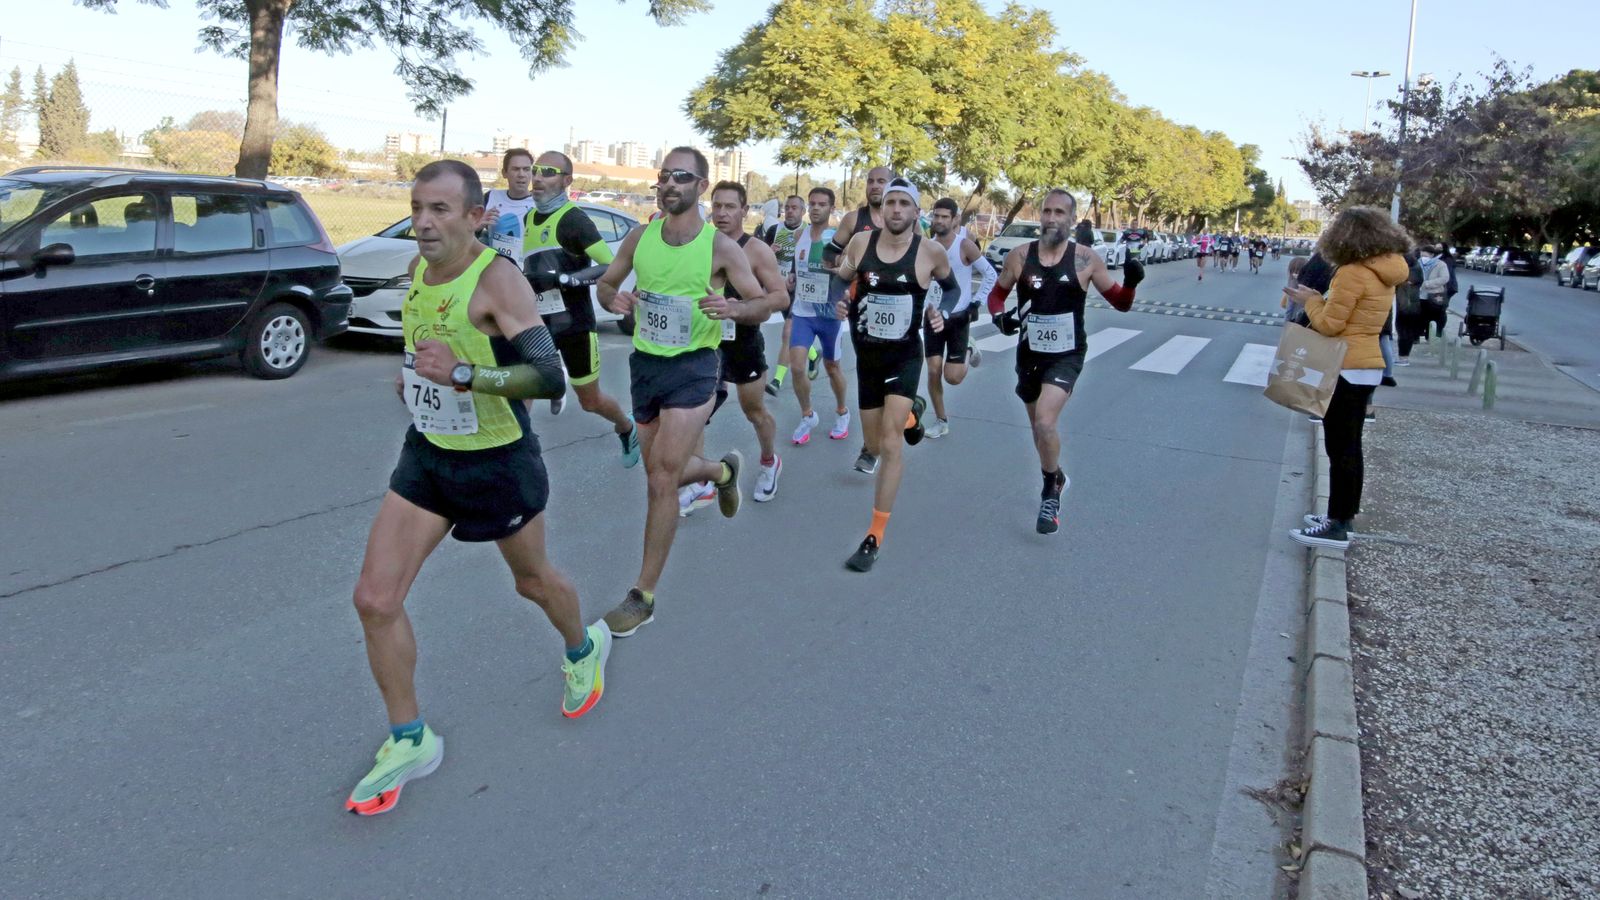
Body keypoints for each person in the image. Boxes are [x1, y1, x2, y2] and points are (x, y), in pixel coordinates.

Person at [345, 160, 608, 816]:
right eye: (417, 208)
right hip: (430, 455)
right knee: (375, 600)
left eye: (439, 210)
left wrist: (465, 376)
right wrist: (415, 377)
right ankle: (411, 739)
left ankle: (583, 647)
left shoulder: (497, 280)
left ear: (474, 216)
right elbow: (426, 347)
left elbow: (548, 375)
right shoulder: (417, 271)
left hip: (498, 461)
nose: (424, 222)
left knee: (532, 582)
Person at [595, 148, 777, 635]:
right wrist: (615, 298)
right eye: (664, 176)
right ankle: (721, 471)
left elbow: (764, 302)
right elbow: (607, 285)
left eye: (681, 176)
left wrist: (734, 309)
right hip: (646, 365)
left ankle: (642, 596)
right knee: (662, 473)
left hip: (695, 367)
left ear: (701, 185)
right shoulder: (640, 237)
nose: (669, 183)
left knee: (661, 478)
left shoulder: (721, 247)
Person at [986, 188, 1142, 534]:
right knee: (1038, 430)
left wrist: (1131, 283)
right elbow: (996, 295)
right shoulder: (1020, 257)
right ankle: (1055, 474)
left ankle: (1050, 492)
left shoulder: (1086, 259)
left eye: (1060, 213)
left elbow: (1121, 303)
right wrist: (999, 318)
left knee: (1045, 422)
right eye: (1047, 211)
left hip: (1067, 355)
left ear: (1072, 220)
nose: (1052, 218)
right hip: (1029, 354)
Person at [833, 178, 960, 571]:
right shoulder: (860, 244)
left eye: (905, 203)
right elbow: (839, 281)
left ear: (916, 212)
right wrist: (839, 301)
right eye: (891, 202)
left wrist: (942, 312)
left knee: (890, 445)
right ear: (882, 209)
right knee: (872, 444)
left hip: (905, 356)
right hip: (867, 356)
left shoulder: (931, 251)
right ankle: (911, 416)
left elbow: (952, 290)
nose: (897, 209)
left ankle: (874, 536)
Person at [1283, 207, 1411, 550]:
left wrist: (1312, 301)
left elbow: (1330, 325)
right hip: (1365, 364)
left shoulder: (1353, 272)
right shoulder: (1384, 270)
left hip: (1344, 365)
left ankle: (1337, 525)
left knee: (1340, 449)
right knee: (1349, 446)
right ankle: (1340, 517)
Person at [517, 150, 641, 460]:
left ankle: (626, 427)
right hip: (539, 321)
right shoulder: (529, 217)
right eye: (535, 170)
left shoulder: (574, 219)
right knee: (524, 387)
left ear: (566, 180)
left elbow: (609, 266)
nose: (537, 178)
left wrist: (566, 279)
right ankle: (517, 448)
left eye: (548, 172)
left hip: (574, 324)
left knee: (590, 400)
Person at [690, 180, 789, 505]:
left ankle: (769, 462)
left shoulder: (756, 250)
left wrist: (739, 307)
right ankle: (701, 482)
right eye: (717, 205)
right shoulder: (700, 243)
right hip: (705, 341)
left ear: (745, 210)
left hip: (743, 340)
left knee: (754, 410)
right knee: (697, 413)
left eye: (730, 206)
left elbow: (781, 297)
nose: (722, 213)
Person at [921, 197, 998, 439]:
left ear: (955, 219)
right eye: (936, 216)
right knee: (933, 371)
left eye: (945, 217)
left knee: (952, 378)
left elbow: (990, 274)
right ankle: (941, 420)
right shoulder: (926, 246)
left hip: (958, 317)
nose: (939, 221)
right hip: (933, 318)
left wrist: (977, 302)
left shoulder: (964, 245)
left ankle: (968, 349)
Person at [788, 186, 853, 446]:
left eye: (822, 204)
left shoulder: (837, 239)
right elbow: (798, 263)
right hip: (803, 312)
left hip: (829, 314)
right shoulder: (799, 234)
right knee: (796, 366)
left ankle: (842, 412)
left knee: (832, 367)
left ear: (831, 208)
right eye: (812, 203)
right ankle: (807, 415)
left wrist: (837, 272)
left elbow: (849, 273)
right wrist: (792, 275)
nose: (815, 208)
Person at [762, 195, 820, 396]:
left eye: (795, 208)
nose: (790, 211)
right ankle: (813, 354)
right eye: (787, 207)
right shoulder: (774, 230)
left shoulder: (808, 232)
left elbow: (816, 261)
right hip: (778, 288)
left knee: (788, 332)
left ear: (803, 211)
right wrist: (769, 252)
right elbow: (760, 258)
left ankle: (776, 381)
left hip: (799, 289)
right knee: (793, 332)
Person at [479, 149, 541, 262]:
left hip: (527, 271)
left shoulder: (541, 204)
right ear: (504, 173)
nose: (521, 174)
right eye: (516, 169)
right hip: (496, 268)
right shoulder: (491, 197)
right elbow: (466, 235)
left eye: (526, 169)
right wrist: (477, 225)